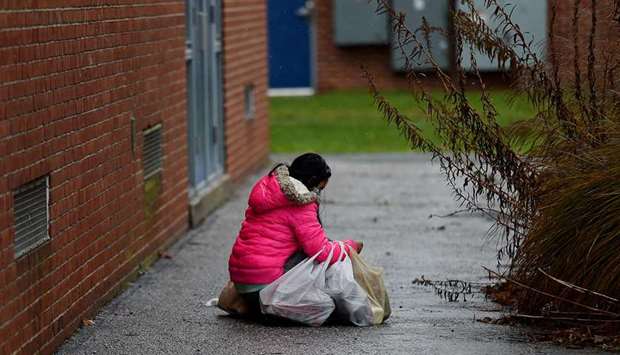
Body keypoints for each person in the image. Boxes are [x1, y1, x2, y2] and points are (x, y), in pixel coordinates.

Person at [227, 153, 363, 316]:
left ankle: (247, 303)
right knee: (329, 279)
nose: (318, 193)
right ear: (312, 181)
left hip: (242, 284)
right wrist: (350, 247)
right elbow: (321, 252)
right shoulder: (299, 203)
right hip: (264, 288)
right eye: (319, 188)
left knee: (314, 247)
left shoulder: (269, 188)